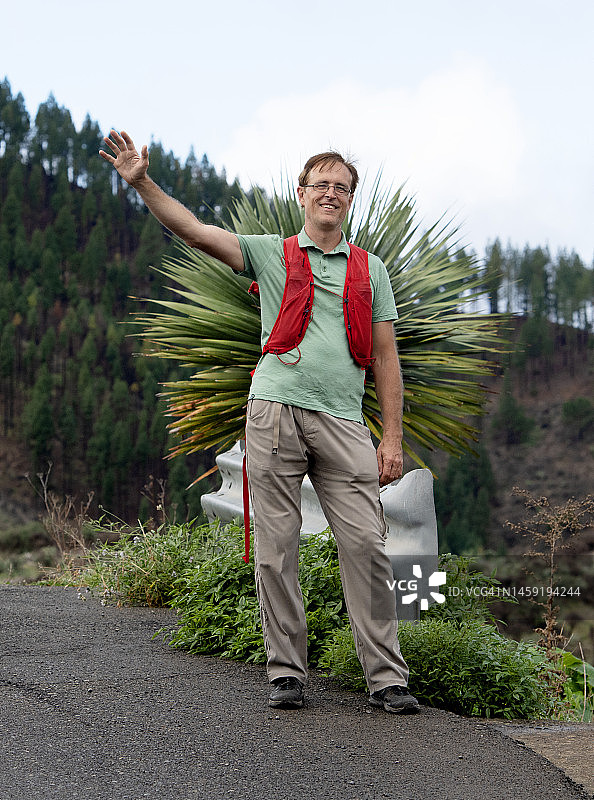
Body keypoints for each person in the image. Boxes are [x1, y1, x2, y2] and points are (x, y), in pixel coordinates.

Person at [100, 130, 419, 714]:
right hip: (273, 412)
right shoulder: (274, 253)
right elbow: (195, 230)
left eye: (341, 188)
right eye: (320, 185)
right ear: (301, 194)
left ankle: (386, 677)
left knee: (368, 547)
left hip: (346, 421)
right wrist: (143, 183)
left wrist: (392, 436)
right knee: (276, 547)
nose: (331, 194)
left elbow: (387, 357)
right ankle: (286, 671)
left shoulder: (371, 271)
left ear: (351, 200)